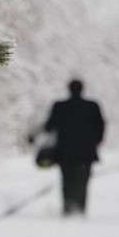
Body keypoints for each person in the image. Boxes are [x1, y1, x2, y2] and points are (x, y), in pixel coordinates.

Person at [38, 79, 105, 216]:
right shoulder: (92, 106)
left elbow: (49, 126)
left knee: (67, 180)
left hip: (65, 152)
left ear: (68, 89)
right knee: (83, 180)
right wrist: (96, 142)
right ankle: (80, 208)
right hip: (86, 152)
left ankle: (68, 208)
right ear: (82, 89)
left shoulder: (59, 106)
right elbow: (101, 126)